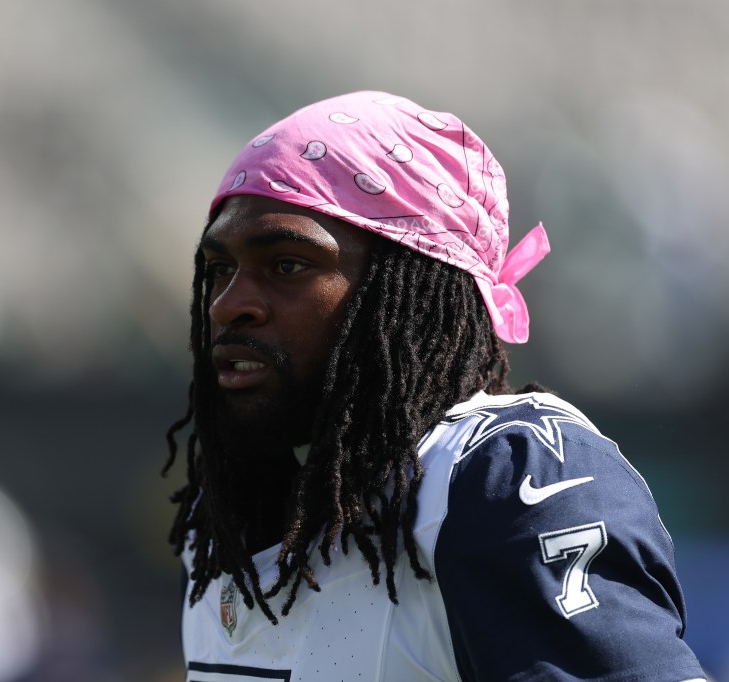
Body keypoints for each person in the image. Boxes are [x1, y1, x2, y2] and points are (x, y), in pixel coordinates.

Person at [162, 91, 706, 681]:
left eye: (288, 265)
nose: (229, 304)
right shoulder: (231, 513)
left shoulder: (507, 481)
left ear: (408, 290)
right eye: (219, 269)